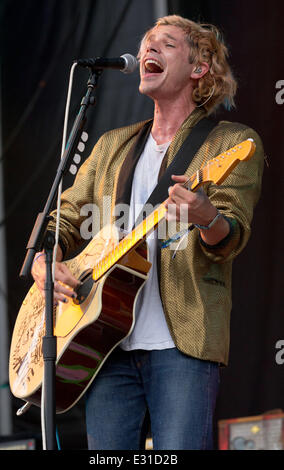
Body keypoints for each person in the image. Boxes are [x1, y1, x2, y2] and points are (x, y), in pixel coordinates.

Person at [31, 15, 264, 450]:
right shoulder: (111, 145)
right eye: (145, 45)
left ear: (199, 69)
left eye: (166, 44)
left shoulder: (230, 143)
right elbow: (62, 216)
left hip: (182, 346)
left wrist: (204, 215)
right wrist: (46, 261)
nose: (147, 51)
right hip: (102, 346)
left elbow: (229, 235)